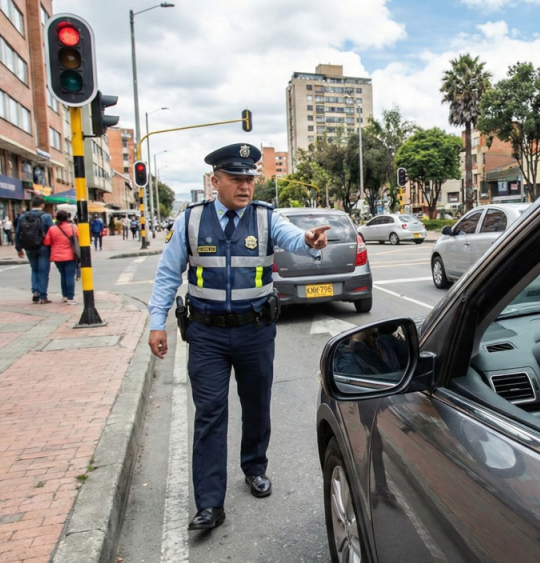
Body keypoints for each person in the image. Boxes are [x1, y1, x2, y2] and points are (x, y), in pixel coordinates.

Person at [147, 143, 332, 532]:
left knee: (256, 405)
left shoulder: (267, 218)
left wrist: (310, 241)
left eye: (250, 179)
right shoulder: (191, 221)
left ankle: (254, 467)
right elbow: (168, 274)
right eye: (236, 179)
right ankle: (210, 504)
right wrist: (156, 322)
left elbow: (295, 238)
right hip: (207, 335)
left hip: (255, 331)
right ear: (215, 182)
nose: (245, 186)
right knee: (210, 414)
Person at [15, 196, 54, 304]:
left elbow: (18, 233)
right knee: (43, 271)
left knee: (34, 269)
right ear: (42, 204)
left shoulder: (22, 216)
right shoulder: (46, 216)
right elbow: (52, 232)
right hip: (43, 247)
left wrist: (19, 248)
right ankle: (43, 296)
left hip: (29, 247)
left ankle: (35, 292)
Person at [334, 326, 408, 376]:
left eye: (374, 333)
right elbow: (357, 383)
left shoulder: (386, 340)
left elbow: (410, 354)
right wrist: (356, 342)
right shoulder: (347, 359)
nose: (373, 330)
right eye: (366, 331)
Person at [43, 210, 79, 304]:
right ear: (67, 218)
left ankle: (65, 296)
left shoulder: (52, 229)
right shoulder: (73, 227)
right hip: (70, 255)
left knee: (63, 275)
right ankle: (70, 297)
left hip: (57, 256)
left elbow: (47, 242)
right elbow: (80, 238)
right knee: (70, 276)